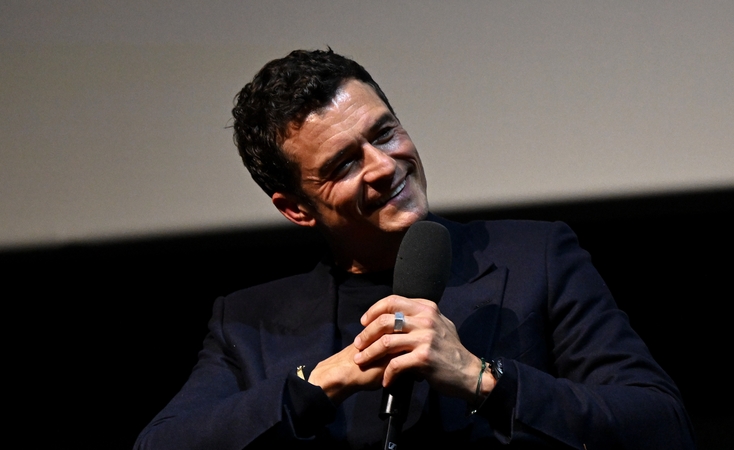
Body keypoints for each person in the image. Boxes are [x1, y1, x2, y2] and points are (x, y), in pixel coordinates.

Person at [135, 49, 695, 449]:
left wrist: (483, 379)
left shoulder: (537, 258)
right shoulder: (250, 323)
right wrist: (321, 382)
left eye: (383, 134)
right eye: (344, 164)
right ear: (296, 208)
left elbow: (661, 425)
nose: (384, 166)